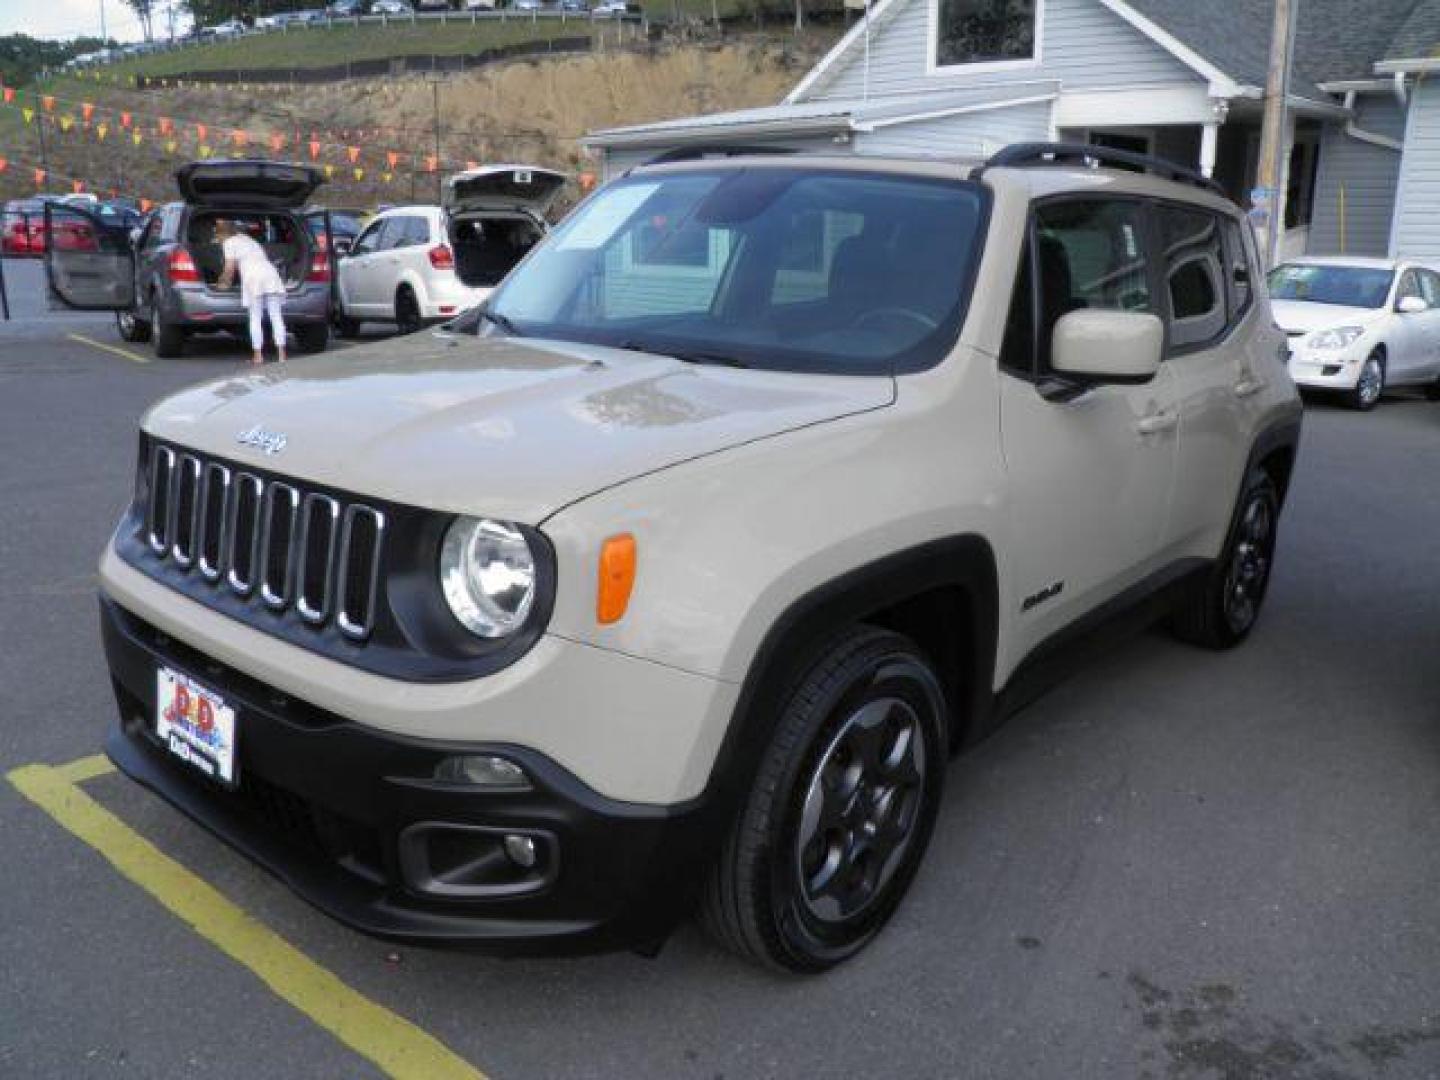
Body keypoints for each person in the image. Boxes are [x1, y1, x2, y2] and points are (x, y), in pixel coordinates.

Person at [213, 218, 287, 365]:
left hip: (253, 279)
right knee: (276, 316)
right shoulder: (249, 240)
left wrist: (221, 284)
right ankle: (282, 354)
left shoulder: (229, 243)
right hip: (271, 275)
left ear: (222, 234)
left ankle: (258, 356)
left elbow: (229, 269)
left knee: (255, 317)